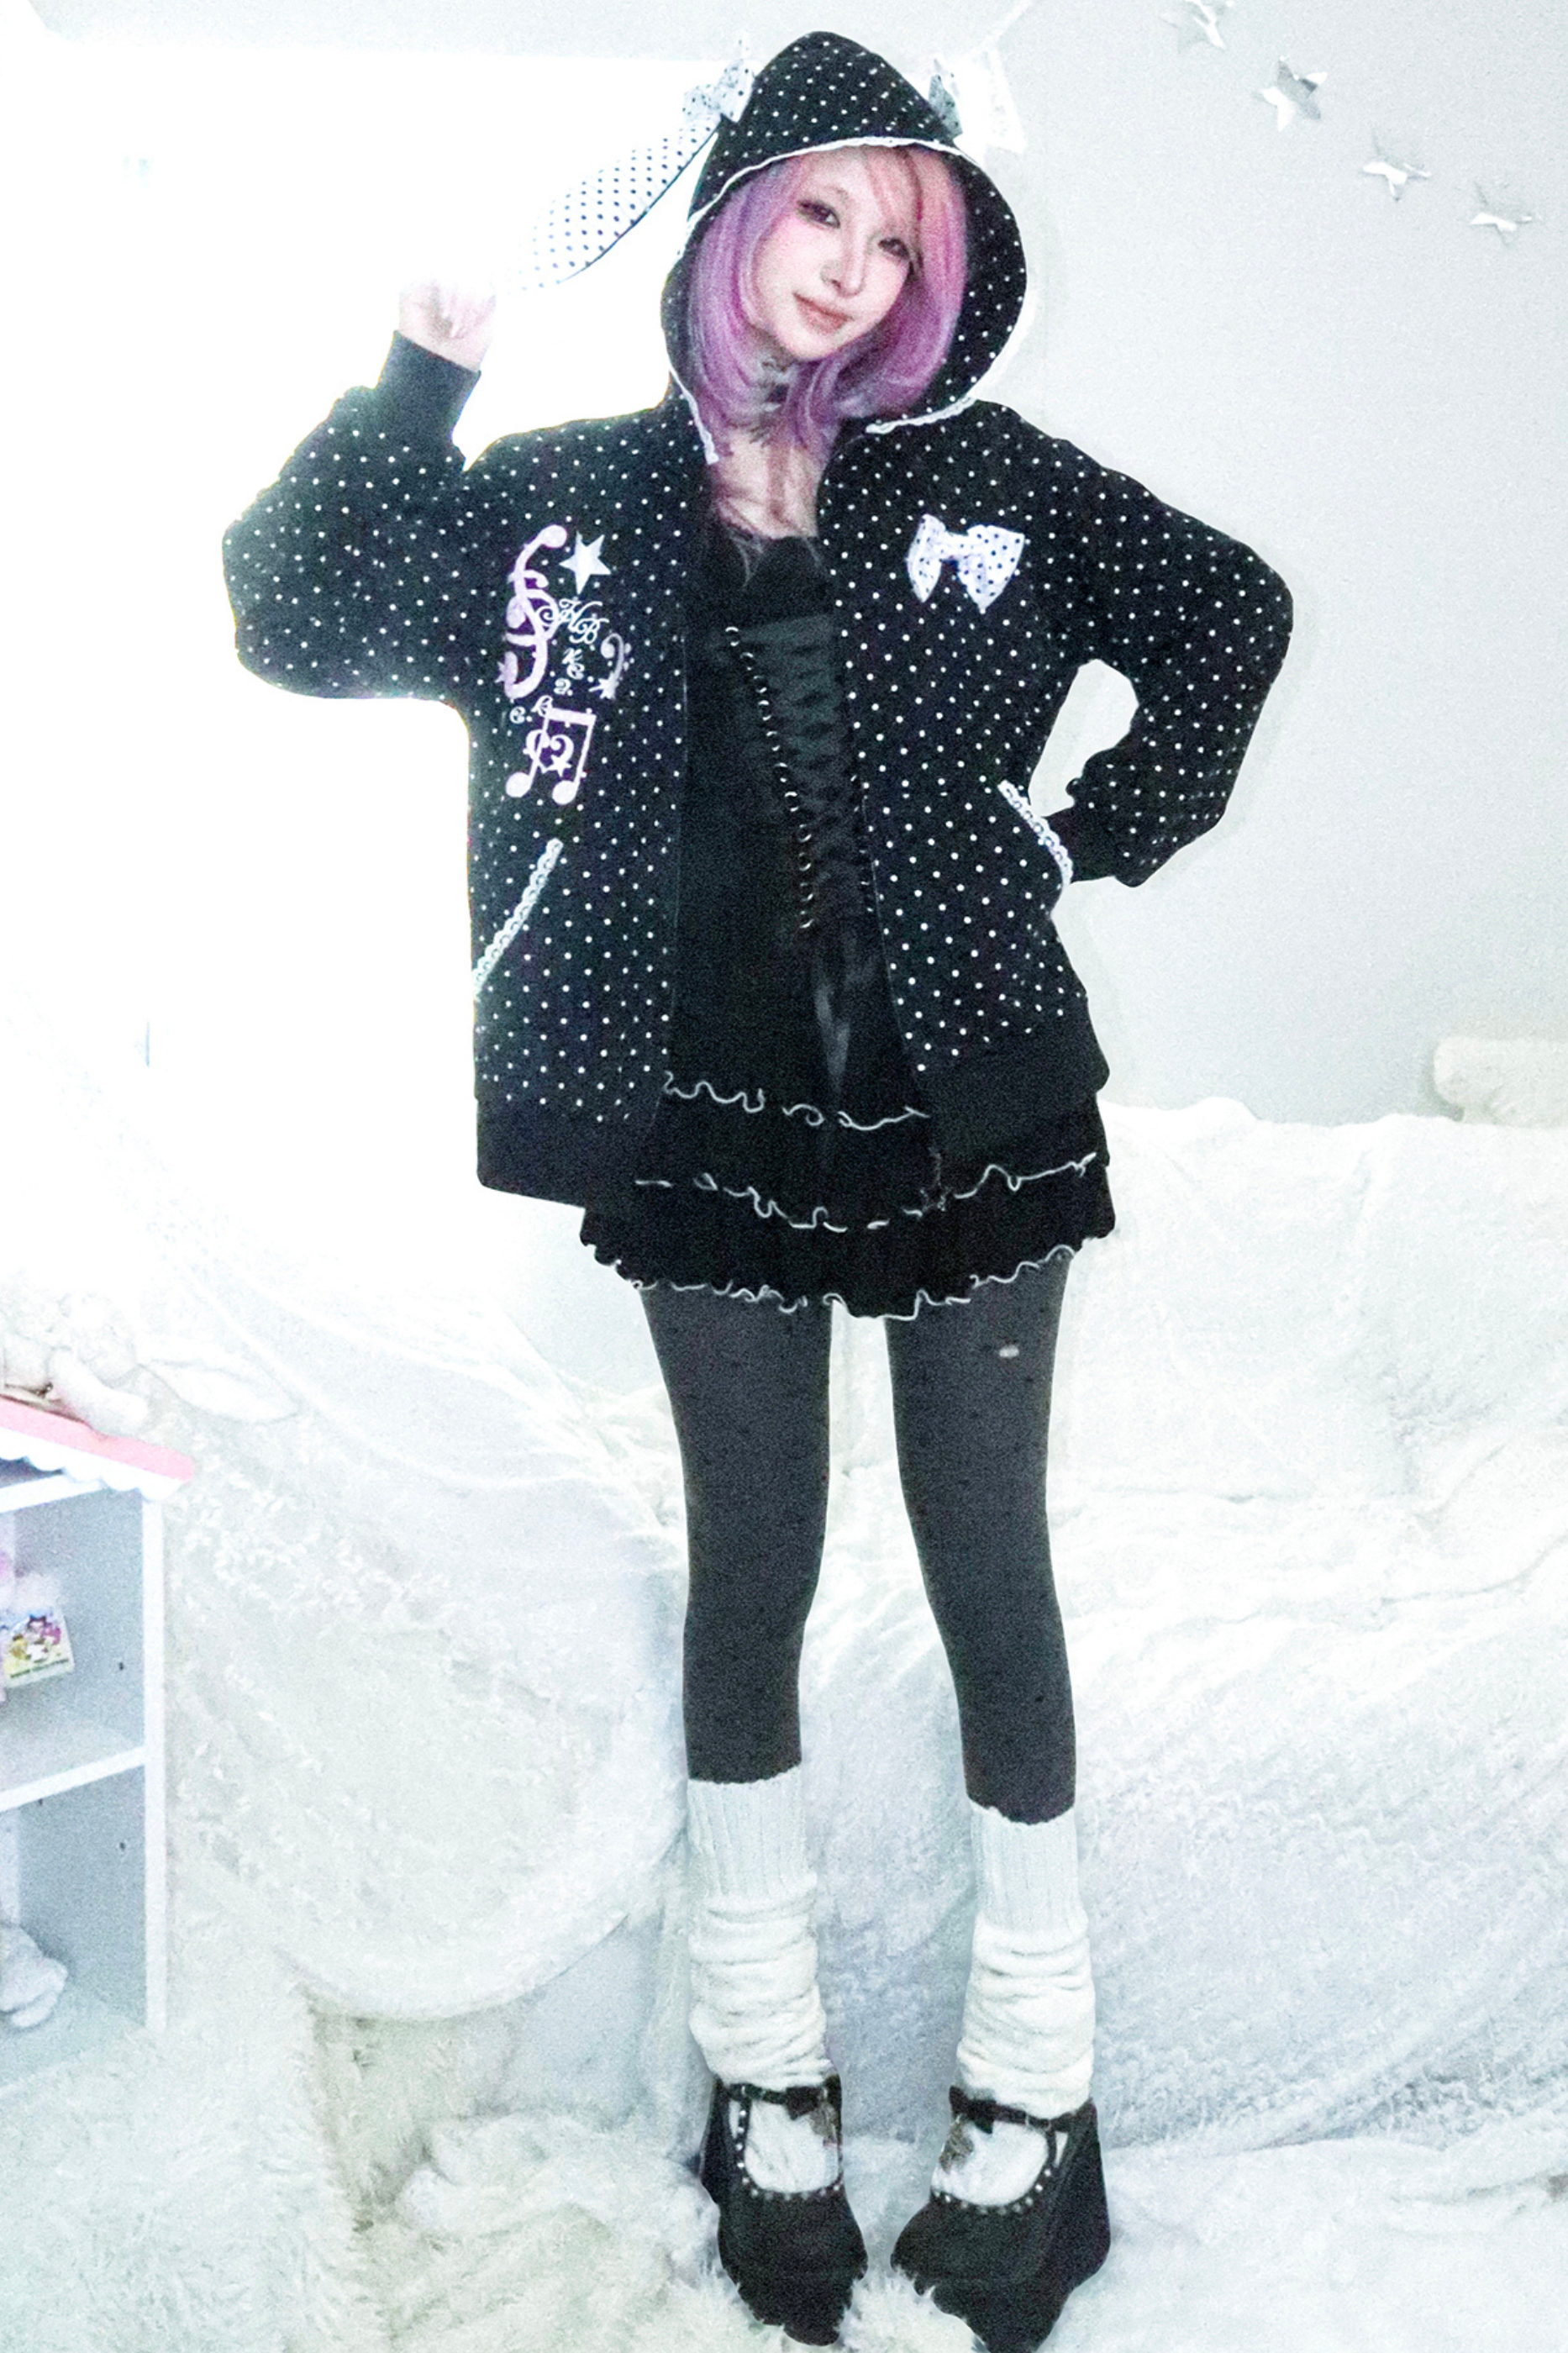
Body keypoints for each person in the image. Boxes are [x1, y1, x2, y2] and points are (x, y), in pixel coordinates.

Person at [224, 31, 1292, 2350]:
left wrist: (1088, 833)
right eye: (820, 211)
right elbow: (295, 610)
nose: (848, 269)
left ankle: (1042, 2106)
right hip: (703, 1112)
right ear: (733, 217)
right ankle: (766, 2086)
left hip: (971, 1103)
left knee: (988, 1568)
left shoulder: (983, 480)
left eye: (894, 240)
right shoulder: (566, 499)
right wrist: (421, 368)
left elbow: (1231, 608)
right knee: (757, 1572)